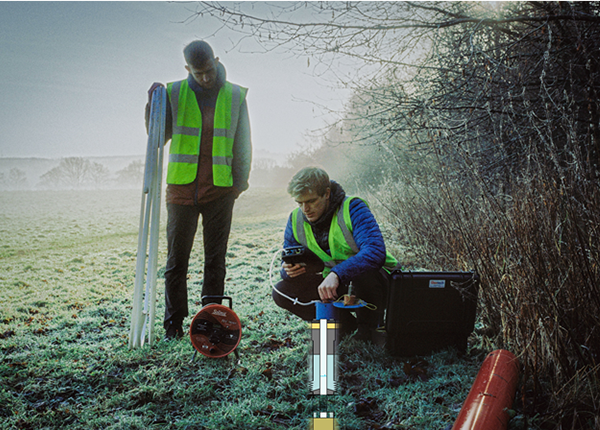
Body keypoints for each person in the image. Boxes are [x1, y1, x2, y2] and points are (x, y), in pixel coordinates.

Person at [146, 40, 252, 340]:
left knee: (215, 263)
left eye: (209, 70)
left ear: (216, 61)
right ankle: (174, 325)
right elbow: (157, 138)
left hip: (220, 192)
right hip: (180, 193)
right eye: (199, 72)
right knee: (176, 263)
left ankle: (210, 322)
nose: (205, 77)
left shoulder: (234, 95)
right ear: (187, 69)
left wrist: (238, 185)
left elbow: (243, 142)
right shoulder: (174, 93)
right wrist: (151, 105)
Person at [273, 167, 398, 342]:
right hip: (334, 283)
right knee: (281, 291)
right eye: (299, 203)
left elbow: (374, 253)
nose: (305, 209)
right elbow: (287, 261)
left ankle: (368, 328)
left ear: (327, 193)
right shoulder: (295, 218)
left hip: (381, 281)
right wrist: (288, 271)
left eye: (311, 201)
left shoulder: (353, 207)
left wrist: (337, 273)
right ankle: (342, 325)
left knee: (363, 273)